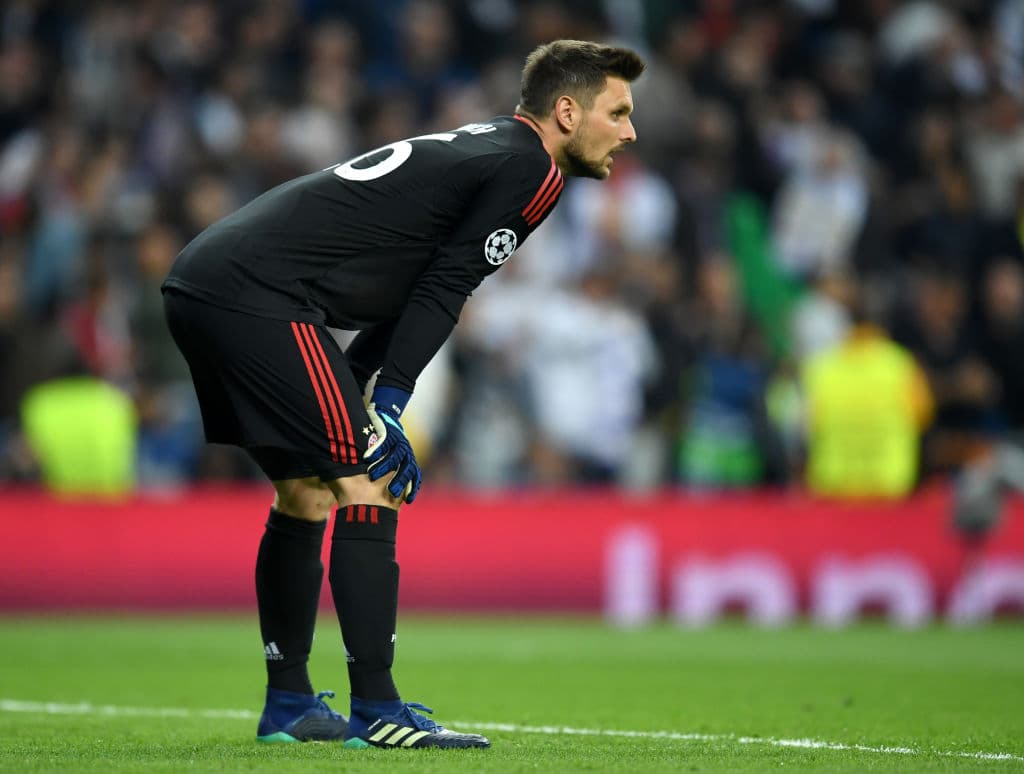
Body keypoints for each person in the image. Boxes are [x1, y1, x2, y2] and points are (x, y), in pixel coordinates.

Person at [161, 39, 645, 749]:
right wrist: (387, 407)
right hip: (257, 294)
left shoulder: (490, 148)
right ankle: (379, 711)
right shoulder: (533, 170)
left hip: (210, 279)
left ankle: (290, 702)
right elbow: (449, 286)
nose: (631, 132)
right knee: (371, 484)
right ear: (567, 112)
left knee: (308, 491)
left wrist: (364, 391)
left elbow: (418, 287)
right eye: (620, 112)